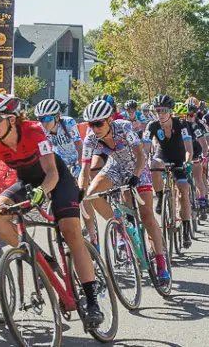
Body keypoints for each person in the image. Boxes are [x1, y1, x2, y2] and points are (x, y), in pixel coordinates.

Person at [0, 94, 103, 327]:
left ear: (12, 120)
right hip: (26, 182)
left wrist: (43, 191)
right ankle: (40, 257)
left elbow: (52, 172)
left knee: (70, 232)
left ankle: (92, 302)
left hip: (56, 179)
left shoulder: (34, 131)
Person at [77, 100, 170, 285]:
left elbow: (141, 155)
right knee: (91, 193)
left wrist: (136, 175)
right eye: (91, 124)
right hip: (114, 168)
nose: (94, 128)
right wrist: (80, 189)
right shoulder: (90, 138)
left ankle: (161, 264)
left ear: (110, 119)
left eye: (98, 123)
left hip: (137, 167)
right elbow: (84, 170)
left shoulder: (124, 127)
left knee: (147, 216)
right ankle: (120, 226)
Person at [144, 95, 195, 249]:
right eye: (157, 110)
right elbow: (145, 147)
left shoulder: (181, 123)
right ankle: (159, 196)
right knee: (153, 165)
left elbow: (188, 148)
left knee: (183, 193)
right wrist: (144, 160)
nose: (160, 113)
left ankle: (186, 229)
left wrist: (187, 161)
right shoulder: (151, 126)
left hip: (180, 157)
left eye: (164, 110)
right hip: (163, 154)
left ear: (171, 111)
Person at [35, 99, 82, 177]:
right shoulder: (40, 129)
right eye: (41, 119)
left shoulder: (68, 123)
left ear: (57, 117)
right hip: (60, 165)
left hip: (76, 161)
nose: (44, 123)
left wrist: (80, 162)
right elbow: (44, 153)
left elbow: (78, 145)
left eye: (47, 119)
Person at [184, 102, 209, 219]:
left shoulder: (199, 125)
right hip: (183, 151)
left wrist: (205, 155)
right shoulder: (180, 125)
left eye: (191, 115)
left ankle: (202, 199)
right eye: (186, 115)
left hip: (197, 151)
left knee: (198, 176)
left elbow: (207, 142)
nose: (188, 118)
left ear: (195, 115)